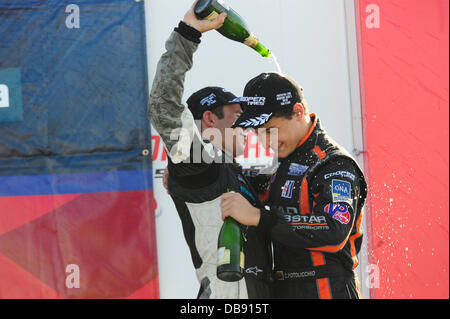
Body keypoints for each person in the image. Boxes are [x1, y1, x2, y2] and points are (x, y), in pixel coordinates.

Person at [148, 2, 272, 299]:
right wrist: (187, 34)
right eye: (235, 115)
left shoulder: (236, 168)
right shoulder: (199, 163)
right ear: (209, 119)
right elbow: (163, 106)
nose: (246, 124)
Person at [221, 72, 368, 299]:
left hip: (327, 288)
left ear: (298, 112)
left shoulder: (333, 162)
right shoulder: (277, 164)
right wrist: (183, 169)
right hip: (282, 288)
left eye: (270, 130)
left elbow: (334, 230)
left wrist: (261, 217)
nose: (265, 141)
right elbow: (237, 179)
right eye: (258, 133)